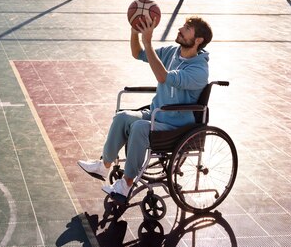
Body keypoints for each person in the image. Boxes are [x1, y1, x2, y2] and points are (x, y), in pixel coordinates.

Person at [77, 15, 213, 199]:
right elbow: (138, 53)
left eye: (187, 29)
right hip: (156, 115)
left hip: (176, 125)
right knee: (122, 117)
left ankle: (126, 184)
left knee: (140, 127)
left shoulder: (199, 70)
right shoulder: (173, 52)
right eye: (182, 26)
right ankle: (104, 166)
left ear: (198, 40)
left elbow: (163, 77)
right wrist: (135, 31)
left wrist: (148, 43)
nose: (180, 29)